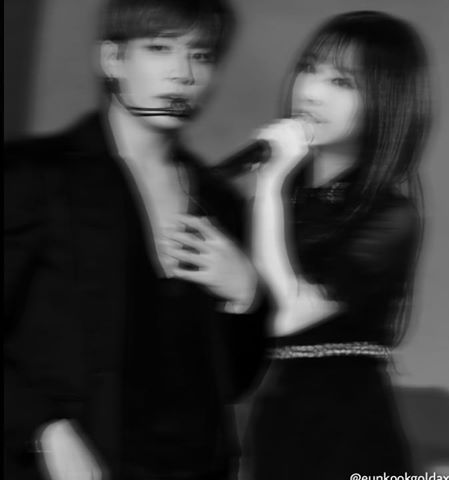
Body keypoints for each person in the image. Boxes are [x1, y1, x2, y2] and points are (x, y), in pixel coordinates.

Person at [4, 1, 269, 479]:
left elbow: (233, 381)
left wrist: (246, 295)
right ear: (113, 59)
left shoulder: (221, 204)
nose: (183, 73)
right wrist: (44, 429)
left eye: (202, 55)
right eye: (160, 48)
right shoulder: (34, 178)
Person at [243, 10, 432, 479]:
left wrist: (269, 184)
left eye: (342, 82)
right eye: (309, 68)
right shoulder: (279, 199)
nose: (311, 92)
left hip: (347, 429)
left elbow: (288, 313)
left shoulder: (392, 216)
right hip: (275, 421)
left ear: (384, 100)